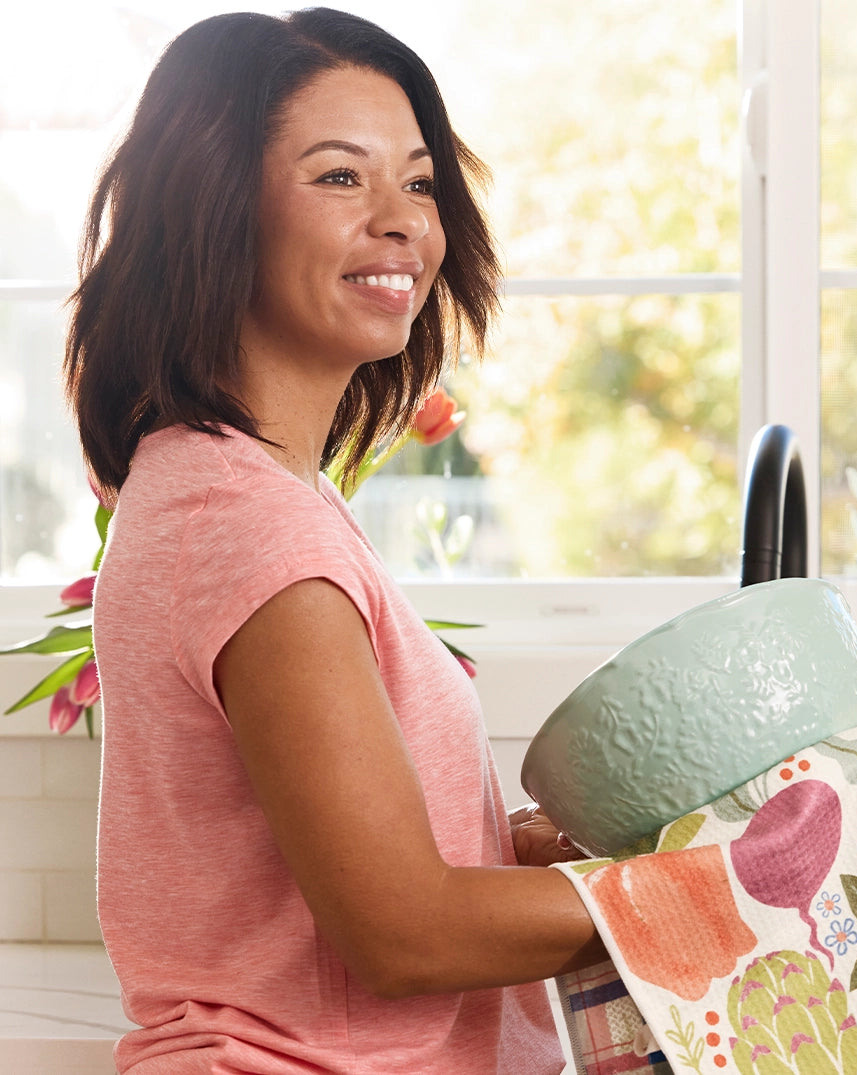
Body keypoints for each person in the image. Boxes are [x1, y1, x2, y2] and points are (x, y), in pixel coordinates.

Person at [64, 9, 603, 1073]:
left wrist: (517, 853)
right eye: (340, 178)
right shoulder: (243, 523)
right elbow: (404, 933)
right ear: (219, 215)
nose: (403, 221)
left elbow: (333, 875)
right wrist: (719, 894)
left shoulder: (240, 487)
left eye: (418, 180)